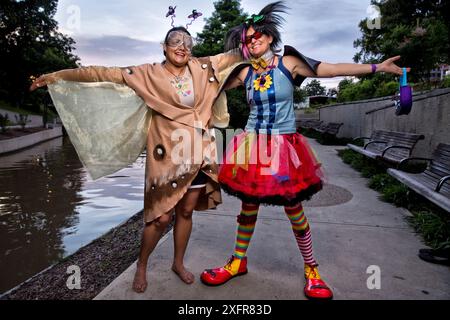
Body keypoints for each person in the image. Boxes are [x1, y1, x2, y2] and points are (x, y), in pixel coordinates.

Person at [200, 1, 410, 300]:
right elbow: (206, 85)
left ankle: (312, 269)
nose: (253, 41)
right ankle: (237, 261)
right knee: (248, 206)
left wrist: (378, 67)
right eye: (247, 39)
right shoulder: (243, 73)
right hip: (251, 146)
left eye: (257, 35)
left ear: (270, 36)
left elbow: (332, 68)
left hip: (284, 148)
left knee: (294, 209)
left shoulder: (290, 63)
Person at [30, 26, 241, 293]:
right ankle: (142, 264)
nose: (182, 46)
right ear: (164, 46)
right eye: (175, 41)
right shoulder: (147, 73)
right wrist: (58, 75)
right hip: (166, 155)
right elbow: (101, 73)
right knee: (160, 219)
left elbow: (238, 54)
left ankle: (178, 263)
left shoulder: (203, 67)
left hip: (198, 152)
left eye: (188, 42)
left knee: (186, 212)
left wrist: (262, 35)